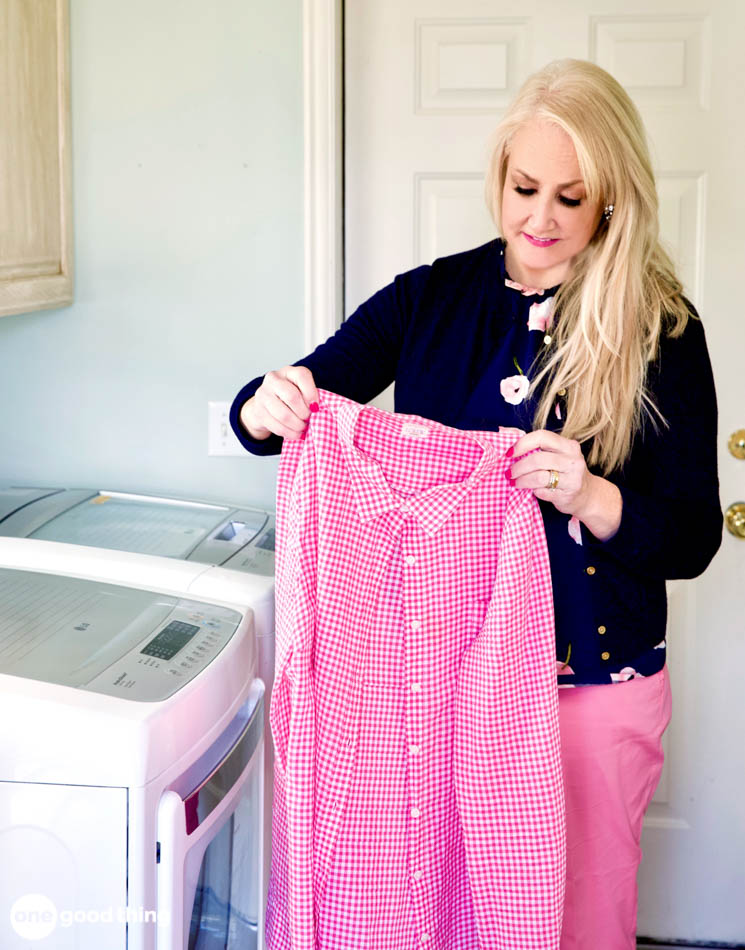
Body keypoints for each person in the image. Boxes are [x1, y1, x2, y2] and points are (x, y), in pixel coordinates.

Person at [230, 59, 722, 950]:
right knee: (436, 913)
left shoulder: (661, 331)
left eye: (570, 200)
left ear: (611, 201)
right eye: (523, 187)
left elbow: (690, 537)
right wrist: (264, 405)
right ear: (497, 176)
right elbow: (302, 394)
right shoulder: (430, 300)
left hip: (588, 688)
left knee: (579, 922)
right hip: (437, 687)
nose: (538, 218)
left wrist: (589, 492)